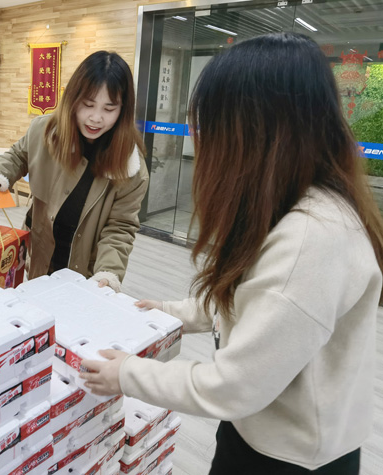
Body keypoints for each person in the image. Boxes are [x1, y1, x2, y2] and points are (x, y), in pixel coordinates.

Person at [79, 32, 383, 474]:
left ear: (258, 133)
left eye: (211, 127)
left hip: (291, 457)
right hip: (258, 428)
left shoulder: (313, 240)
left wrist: (127, 374)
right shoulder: (291, 203)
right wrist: (171, 311)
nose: (205, 145)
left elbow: (235, 385)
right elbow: (255, 302)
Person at [0, 51, 149, 292]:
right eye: (88, 105)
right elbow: (19, 154)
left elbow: (120, 228)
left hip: (85, 268)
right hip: (40, 250)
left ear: (123, 110)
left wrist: (108, 272)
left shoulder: (130, 166)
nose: (96, 118)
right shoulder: (46, 130)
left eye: (109, 109)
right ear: (73, 99)